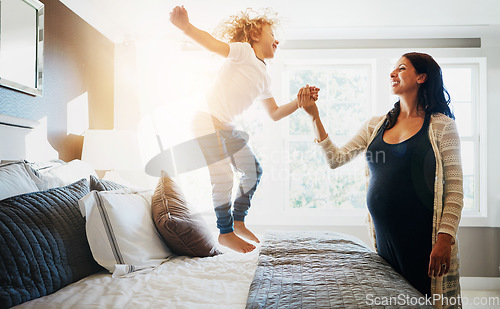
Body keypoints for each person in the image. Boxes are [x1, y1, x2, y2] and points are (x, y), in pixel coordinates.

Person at [297, 52, 463, 307]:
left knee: (426, 301)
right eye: (393, 68)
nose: (392, 73)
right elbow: (336, 159)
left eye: (402, 68)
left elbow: (454, 189)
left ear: (421, 77)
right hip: (385, 237)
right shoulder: (376, 125)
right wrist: (314, 117)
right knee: (392, 300)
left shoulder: (442, 126)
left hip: (424, 239)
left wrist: (444, 238)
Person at [169, 6, 319, 253]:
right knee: (224, 176)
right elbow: (212, 44)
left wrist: (299, 101)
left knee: (253, 171)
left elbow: (275, 113)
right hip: (206, 119)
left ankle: (238, 221)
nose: (277, 40)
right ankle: (225, 232)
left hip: (227, 126)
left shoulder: (265, 76)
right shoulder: (243, 52)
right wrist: (186, 27)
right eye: (272, 34)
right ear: (255, 36)